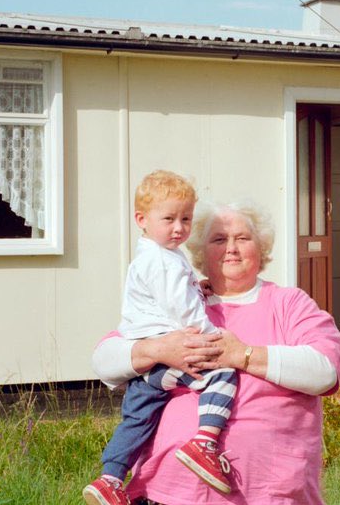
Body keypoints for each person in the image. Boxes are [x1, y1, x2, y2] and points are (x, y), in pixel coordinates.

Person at [92, 201, 340, 504]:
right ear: (199, 252)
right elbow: (104, 360)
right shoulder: (178, 303)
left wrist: (243, 355)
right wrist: (158, 349)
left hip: (268, 492)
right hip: (167, 492)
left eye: (242, 238)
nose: (232, 248)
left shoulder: (288, 303)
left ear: (261, 248)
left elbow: (325, 371)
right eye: (219, 239)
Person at [84, 172, 239, 505]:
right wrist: (211, 338)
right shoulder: (161, 261)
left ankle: (110, 477)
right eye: (168, 219)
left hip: (147, 362)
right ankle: (205, 443)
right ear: (142, 219)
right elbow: (180, 308)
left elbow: (172, 295)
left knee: (139, 418)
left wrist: (196, 288)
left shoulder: (158, 256)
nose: (179, 227)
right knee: (223, 375)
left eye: (185, 218)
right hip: (167, 349)